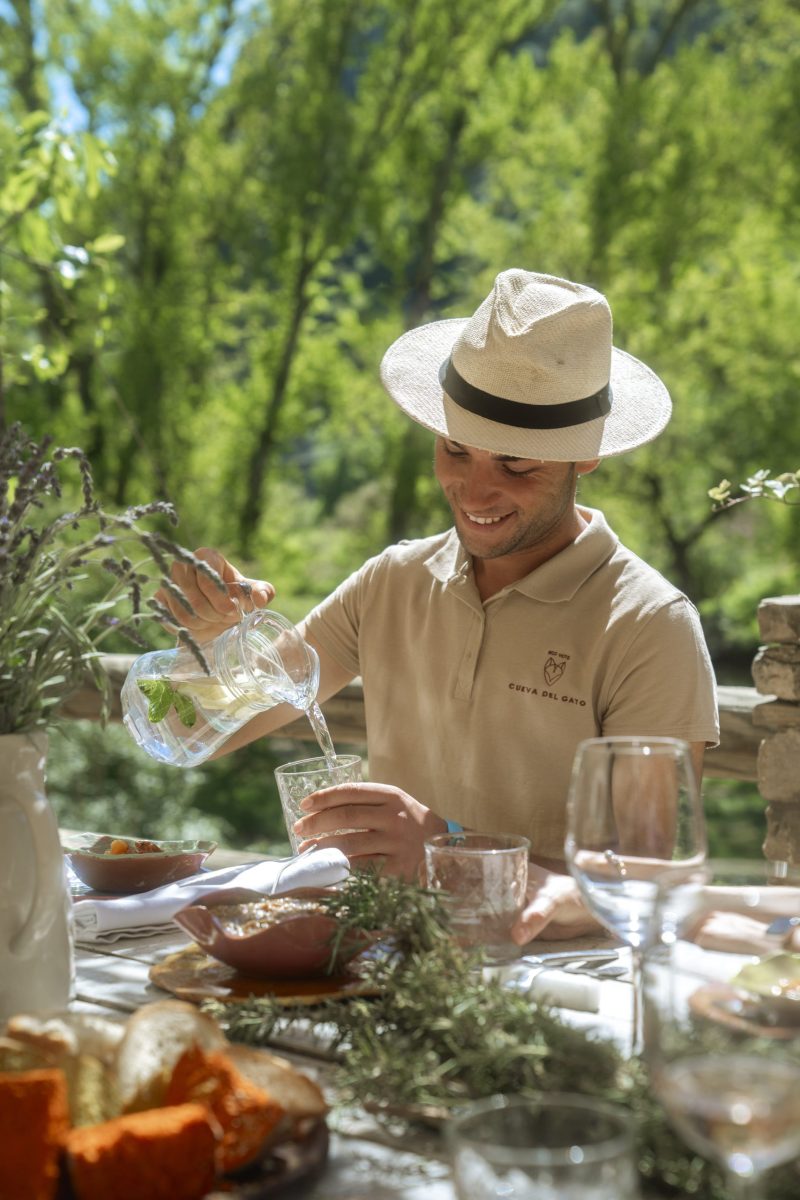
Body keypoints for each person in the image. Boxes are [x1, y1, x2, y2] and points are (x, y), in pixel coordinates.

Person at [158, 269, 720, 941]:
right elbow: (197, 729)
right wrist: (205, 645)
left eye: (516, 465)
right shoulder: (389, 582)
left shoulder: (649, 625)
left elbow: (648, 875)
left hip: (554, 990)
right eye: (456, 450)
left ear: (584, 456)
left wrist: (447, 848)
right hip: (372, 959)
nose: (474, 492)